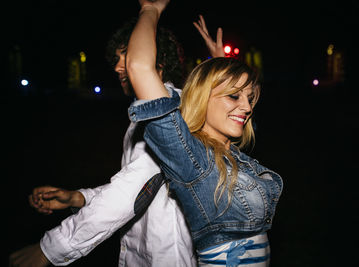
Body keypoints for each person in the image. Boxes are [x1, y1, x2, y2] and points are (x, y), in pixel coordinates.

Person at [9, 13, 225, 267]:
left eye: (127, 55)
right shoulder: (147, 111)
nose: (117, 66)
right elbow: (143, 184)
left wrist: (51, 248)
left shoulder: (167, 114)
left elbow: (130, 192)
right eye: (117, 57)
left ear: (156, 58)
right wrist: (77, 198)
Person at [126, 0, 283, 266]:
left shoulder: (228, 155)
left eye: (249, 98)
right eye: (234, 95)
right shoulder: (193, 160)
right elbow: (139, 67)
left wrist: (221, 63)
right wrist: (150, 10)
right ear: (202, 97)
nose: (246, 107)